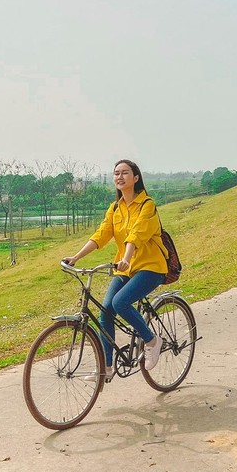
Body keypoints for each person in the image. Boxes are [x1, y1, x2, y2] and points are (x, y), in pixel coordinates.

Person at [64, 159, 167, 377]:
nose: (119, 177)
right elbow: (101, 235)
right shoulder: (115, 208)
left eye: (125, 173)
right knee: (106, 310)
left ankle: (152, 341)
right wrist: (76, 257)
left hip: (150, 267)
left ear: (136, 178)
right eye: (116, 173)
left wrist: (127, 257)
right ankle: (107, 367)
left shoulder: (147, 204)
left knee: (121, 302)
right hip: (125, 269)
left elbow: (136, 234)